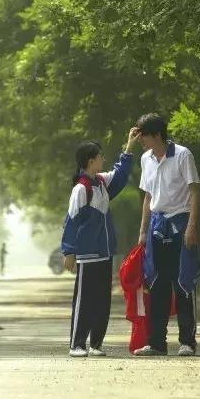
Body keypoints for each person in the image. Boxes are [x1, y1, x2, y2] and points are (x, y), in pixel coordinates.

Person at [61, 127, 140, 357]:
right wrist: (69, 251)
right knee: (85, 301)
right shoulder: (81, 188)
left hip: (105, 253)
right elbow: (71, 221)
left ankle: (96, 344)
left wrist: (129, 146)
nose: (103, 160)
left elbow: (121, 173)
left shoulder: (102, 183)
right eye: (100, 156)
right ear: (90, 161)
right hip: (87, 255)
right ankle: (76, 344)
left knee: (102, 301)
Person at [132, 113, 200, 357]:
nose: (140, 139)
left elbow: (194, 191)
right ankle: (157, 343)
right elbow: (148, 197)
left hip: (181, 223)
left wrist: (192, 226)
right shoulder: (145, 159)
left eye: (143, 135)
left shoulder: (183, 155)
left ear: (157, 135)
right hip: (156, 225)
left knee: (183, 281)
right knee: (156, 284)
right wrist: (142, 231)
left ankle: (187, 342)